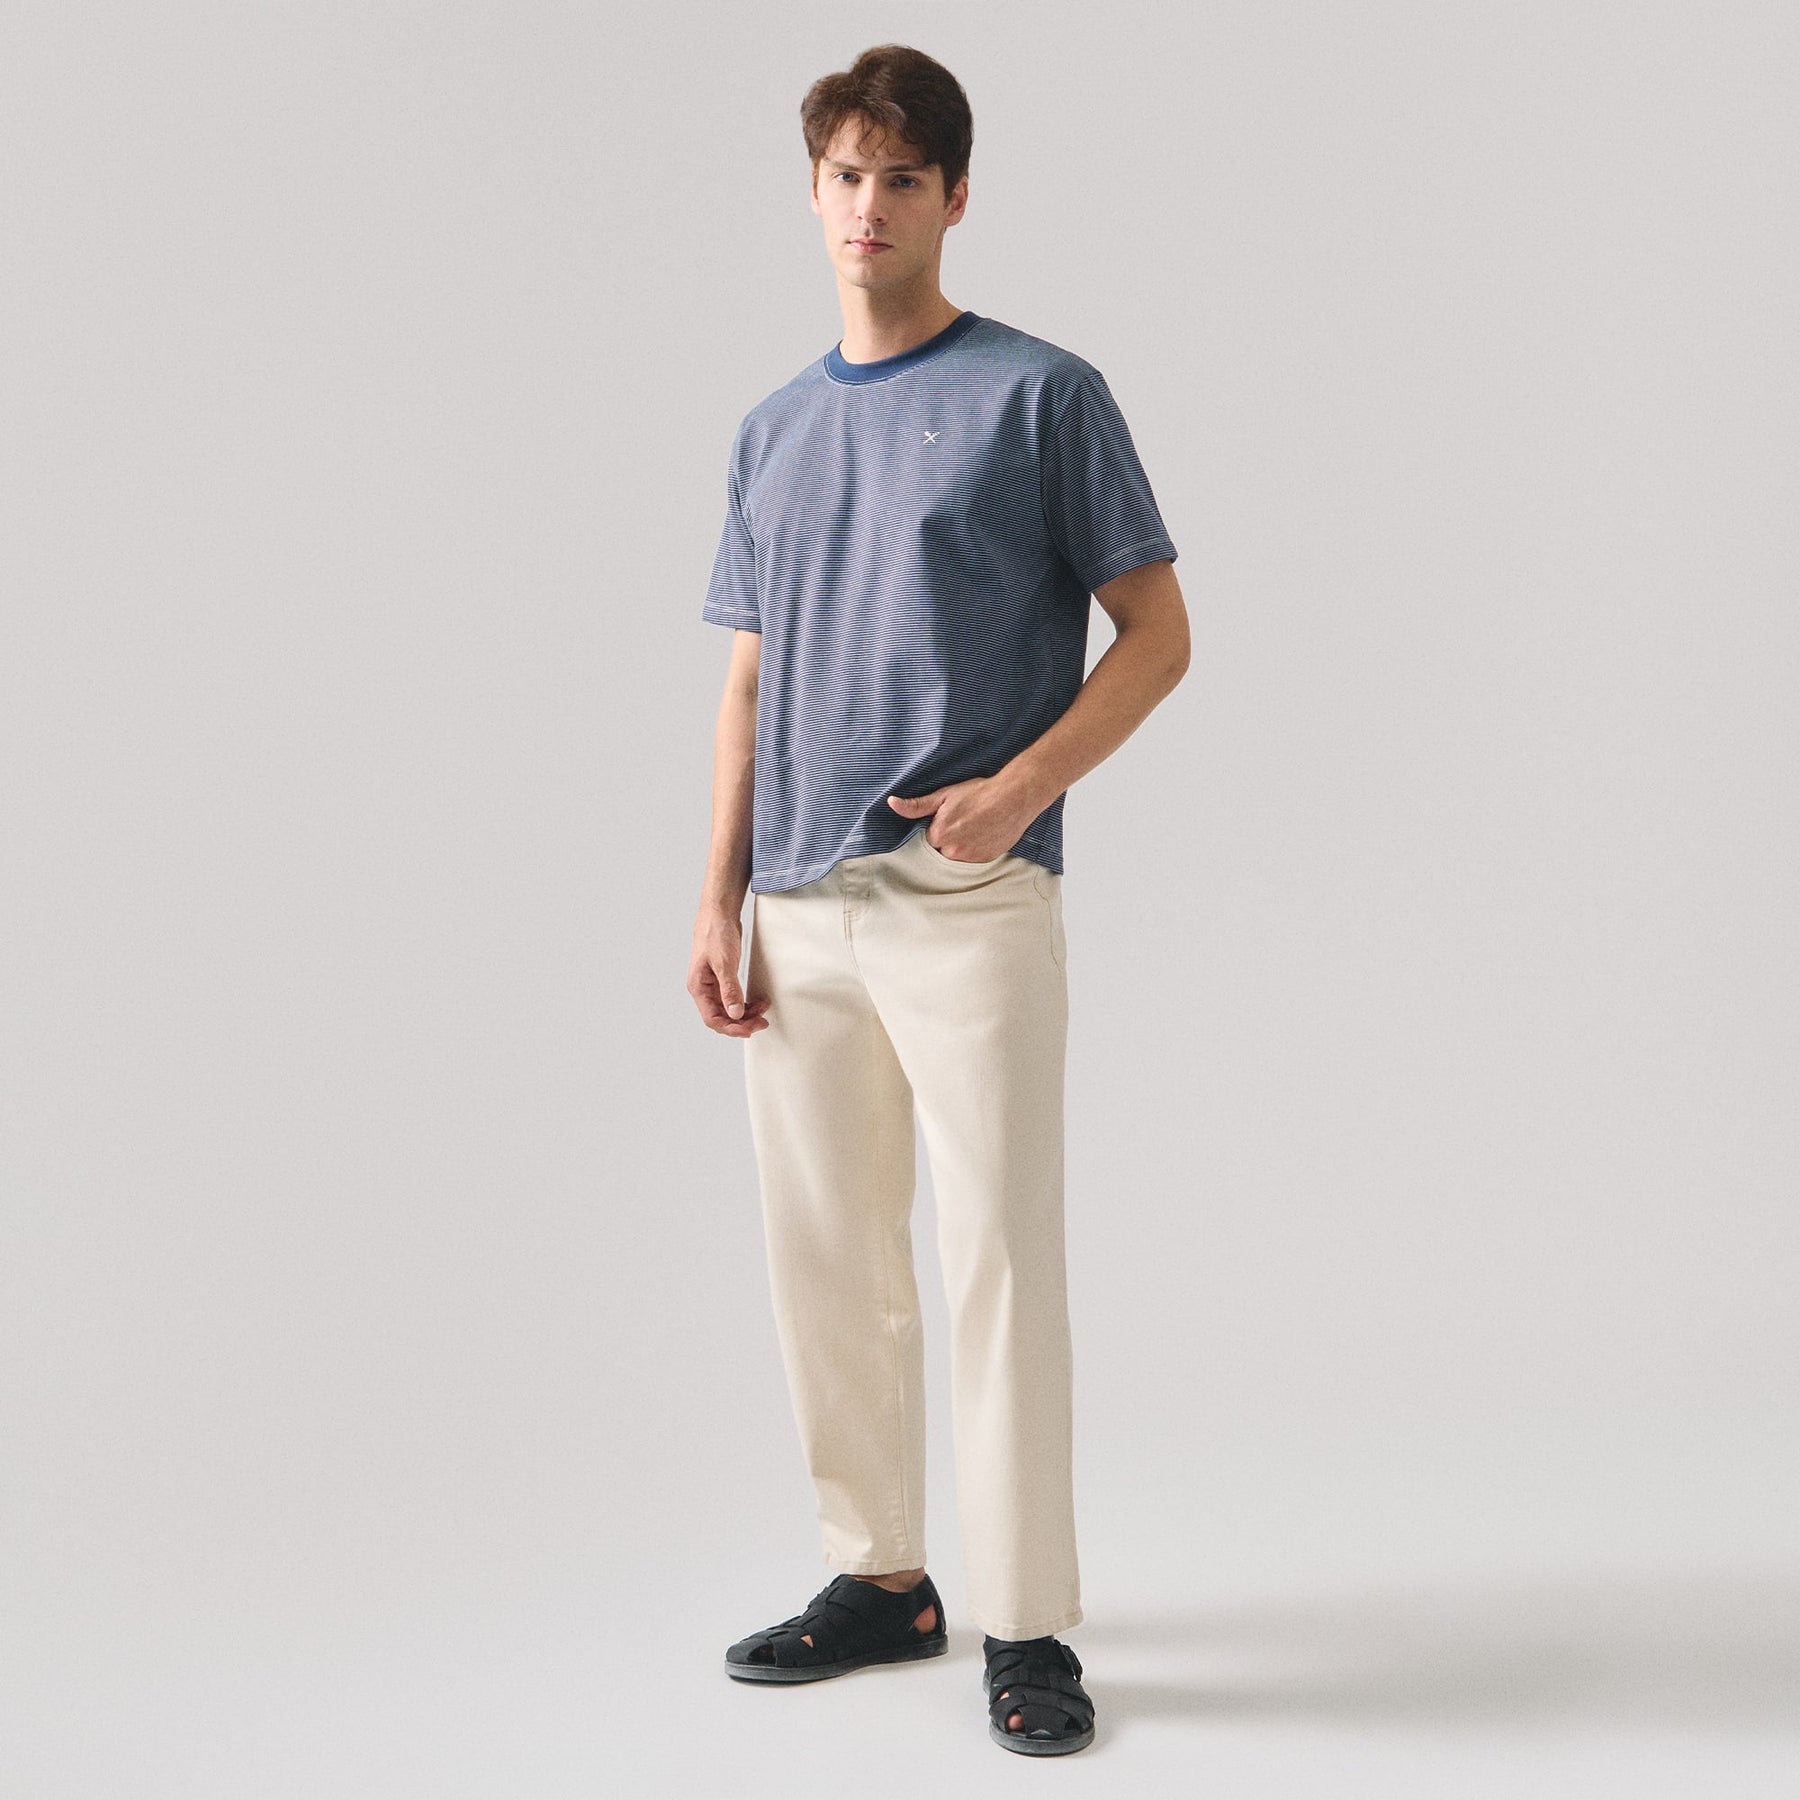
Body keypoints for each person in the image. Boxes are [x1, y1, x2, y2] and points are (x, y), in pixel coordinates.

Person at [686, 42, 1189, 1758]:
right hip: (798, 904)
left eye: (904, 178)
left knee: (996, 1259)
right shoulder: (771, 428)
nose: (871, 207)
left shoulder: (1040, 396)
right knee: (827, 1261)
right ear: (813, 192)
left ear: (956, 197)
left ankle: (1026, 1625)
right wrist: (717, 897)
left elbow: (1160, 635)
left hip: (965, 903)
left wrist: (1025, 786)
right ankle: (881, 1578)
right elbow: (750, 681)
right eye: (847, 176)